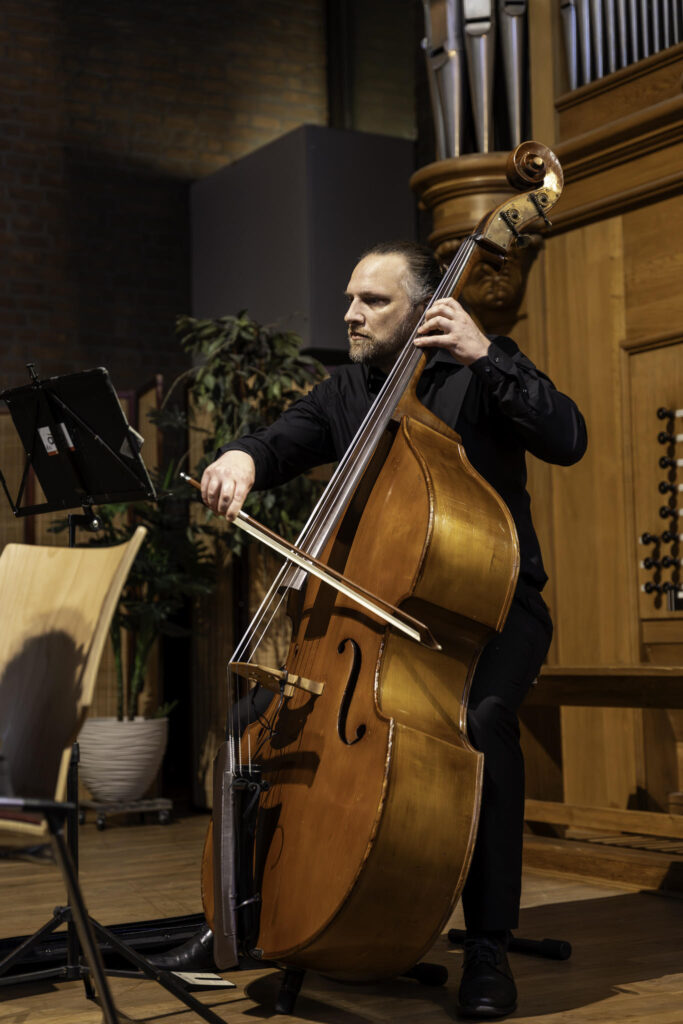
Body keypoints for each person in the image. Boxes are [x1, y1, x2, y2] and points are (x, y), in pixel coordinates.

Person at [172, 241, 586, 1018]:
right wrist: (239, 460)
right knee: (264, 724)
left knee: (482, 722)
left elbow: (567, 436)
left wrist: (488, 352)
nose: (350, 314)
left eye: (372, 301)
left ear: (426, 308)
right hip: (379, 615)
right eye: (349, 299)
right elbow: (280, 440)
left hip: (491, 612)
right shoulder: (345, 393)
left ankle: (489, 946)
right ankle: (240, 918)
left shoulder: (480, 374)